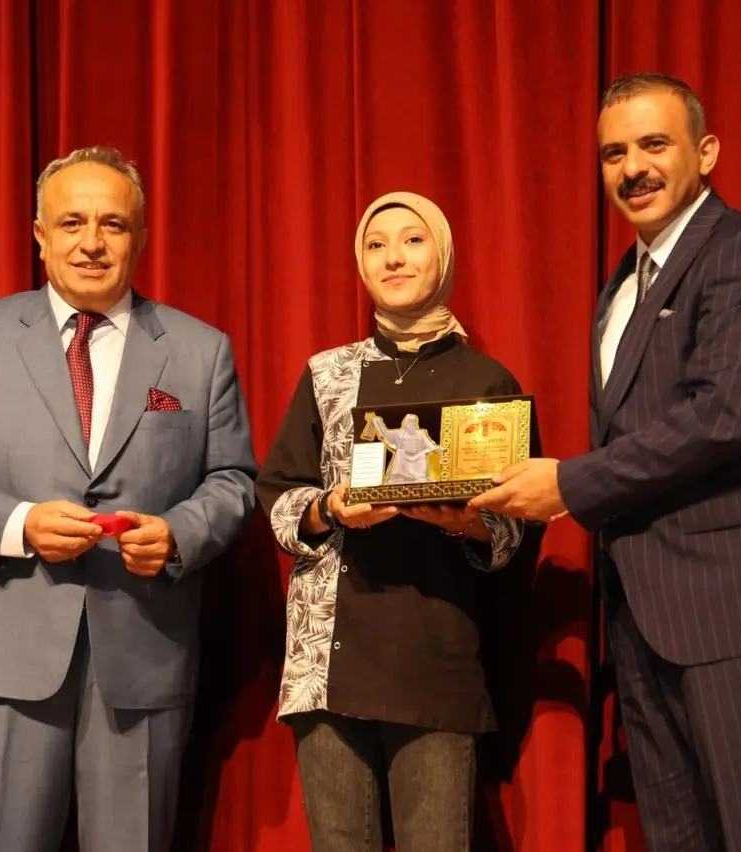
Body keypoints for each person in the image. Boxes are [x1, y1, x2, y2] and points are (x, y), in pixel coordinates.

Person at [471, 73, 741, 851]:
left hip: (737, 610)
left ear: (705, 152)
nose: (632, 168)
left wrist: (568, 484)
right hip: (643, 619)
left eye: (653, 144)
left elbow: (723, 416)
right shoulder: (622, 284)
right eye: (614, 153)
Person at [0, 145, 257, 851]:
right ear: (40, 235)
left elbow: (234, 481)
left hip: (142, 658)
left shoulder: (200, 350)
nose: (92, 243)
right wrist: (20, 523)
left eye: (112, 224)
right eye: (72, 223)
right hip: (4, 656)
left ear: (140, 236)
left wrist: (178, 535)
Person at [256, 191, 529, 852]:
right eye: (376, 245)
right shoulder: (328, 374)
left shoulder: (487, 382)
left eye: (412, 240)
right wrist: (331, 507)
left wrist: (461, 519)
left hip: (435, 658)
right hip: (327, 663)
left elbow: (515, 528)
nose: (394, 258)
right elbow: (280, 496)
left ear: (443, 255)